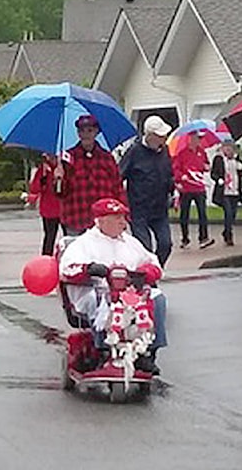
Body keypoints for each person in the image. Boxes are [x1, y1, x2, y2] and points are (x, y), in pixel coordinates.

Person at [58, 198, 167, 375]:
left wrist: (143, 273)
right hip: (96, 291)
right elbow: (66, 270)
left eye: (123, 217)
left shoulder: (130, 243)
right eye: (117, 218)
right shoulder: (83, 244)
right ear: (101, 220)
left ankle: (148, 352)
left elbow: (154, 264)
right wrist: (89, 269)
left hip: (131, 292)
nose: (123, 223)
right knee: (105, 300)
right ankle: (103, 349)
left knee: (157, 298)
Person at [54, 114, 127, 236]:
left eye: (89, 130)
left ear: (96, 132)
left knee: (104, 254)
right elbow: (60, 193)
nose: (85, 134)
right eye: (81, 131)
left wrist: (122, 214)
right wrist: (58, 179)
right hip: (76, 217)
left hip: (103, 221)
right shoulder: (67, 158)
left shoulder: (107, 158)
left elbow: (117, 187)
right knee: (77, 254)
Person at [119, 115, 175, 266]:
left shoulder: (164, 151)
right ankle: (146, 276)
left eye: (164, 136)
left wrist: (174, 190)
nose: (164, 139)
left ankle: (155, 269)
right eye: (160, 136)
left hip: (160, 208)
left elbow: (169, 174)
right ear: (149, 136)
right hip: (139, 210)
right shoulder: (134, 152)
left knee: (166, 244)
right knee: (145, 247)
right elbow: (119, 176)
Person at [173, 131, 215, 250]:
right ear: (190, 138)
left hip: (199, 187)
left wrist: (207, 167)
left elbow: (205, 165)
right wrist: (181, 177)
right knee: (184, 214)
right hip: (186, 188)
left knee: (202, 213)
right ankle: (185, 238)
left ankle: (203, 238)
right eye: (197, 138)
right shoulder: (182, 154)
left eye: (200, 138)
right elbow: (176, 169)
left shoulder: (202, 152)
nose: (199, 141)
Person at [28, 153, 62, 256]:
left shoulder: (65, 167)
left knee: (68, 236)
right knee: (49, 236)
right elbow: (34, 188)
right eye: (49, 155)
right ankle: (46, 260)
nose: (51, 158)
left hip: (64, 206)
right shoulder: (43, 170)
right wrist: (42, 180)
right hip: (48, 208)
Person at [211, 138, 242, 246]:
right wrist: (218, 179)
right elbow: (213, 173)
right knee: (228, 213)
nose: (229, 150)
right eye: (226, 147)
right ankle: (229, 235)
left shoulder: (236, 160)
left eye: (231, 148)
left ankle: (226, 231)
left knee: (233, 214)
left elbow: (240, 174)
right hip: (224, 191)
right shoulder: (219, 159)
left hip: (234, 190)